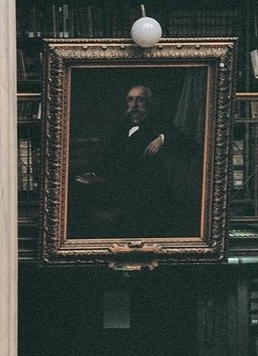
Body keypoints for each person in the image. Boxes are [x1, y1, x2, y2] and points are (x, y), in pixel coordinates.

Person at [70, 83, 201, 239]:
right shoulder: (122, 127)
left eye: (140, 100)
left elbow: (190, 145)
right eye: (131, 100)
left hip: (149, 193)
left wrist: (162, 139)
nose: (135, 105)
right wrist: (93, 173)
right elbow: (109, 157)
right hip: (119, 188)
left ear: (149, 103)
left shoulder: (160, 125)